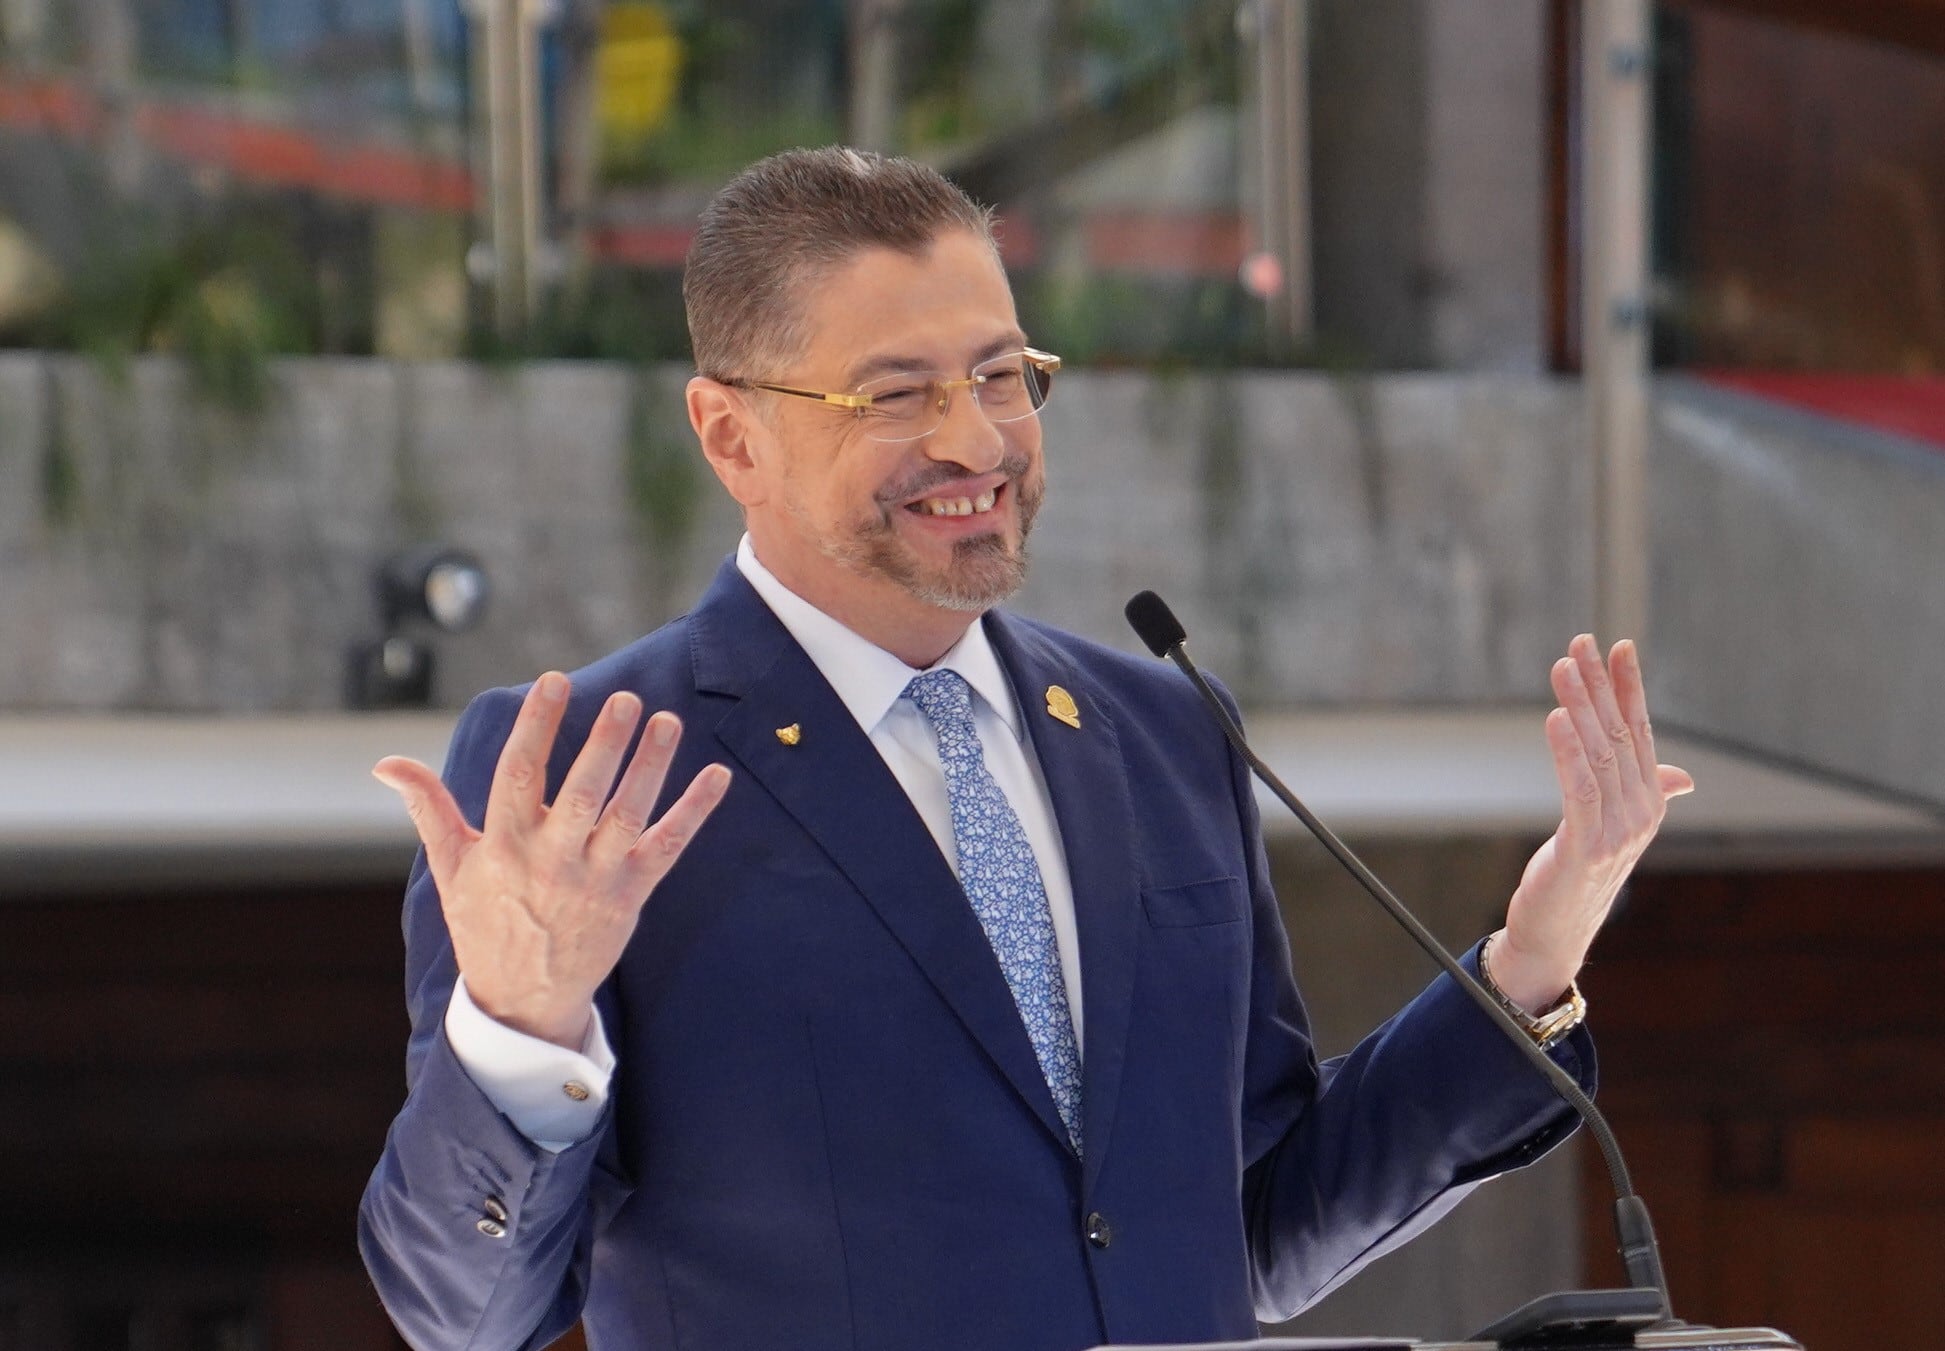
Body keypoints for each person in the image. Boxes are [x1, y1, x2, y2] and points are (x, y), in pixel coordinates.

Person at [358, 147, 1693, 1351]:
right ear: (729, 434)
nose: (974, 439)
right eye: (894, 394)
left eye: (1002, 375)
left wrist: (1532, 961)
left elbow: (1261, 1226)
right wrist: (523, 1027)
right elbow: (465, 1321)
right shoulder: (590, 774)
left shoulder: (1161, 731)